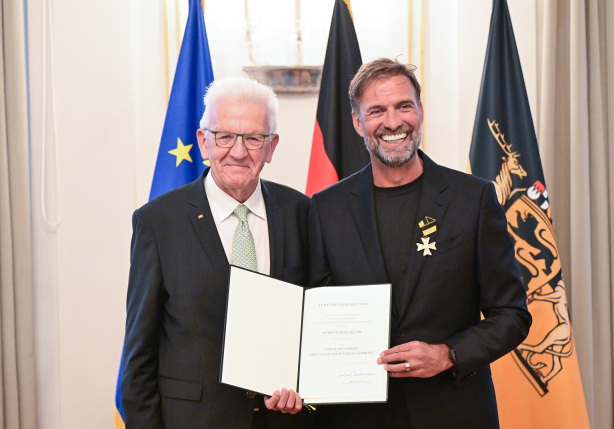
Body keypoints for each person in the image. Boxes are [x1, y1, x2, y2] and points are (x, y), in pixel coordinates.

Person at [309, 58, 532, 428]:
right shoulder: (326, 208)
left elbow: (512, 314)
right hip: (356, 416)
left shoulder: (472, 199)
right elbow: (314, 313)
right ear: (357, 121)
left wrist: (449, 354)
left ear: (421, 111)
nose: (393, 122)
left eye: (404, 106)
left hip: (454, 412)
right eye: (377, 110)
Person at [121, 77, 312, 429]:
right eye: (224, 136)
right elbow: (138, 358)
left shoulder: (302, 213)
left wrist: (306, 386)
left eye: (254, 138)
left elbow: (315, 324)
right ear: (203, 142)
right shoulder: (158, 222)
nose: (238, 152)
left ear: (271, 148)